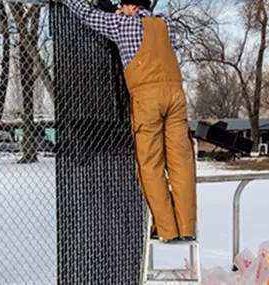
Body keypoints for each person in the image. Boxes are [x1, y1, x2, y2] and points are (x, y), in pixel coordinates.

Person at [57, 0, 197, 243]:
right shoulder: (166, 24)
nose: (119, 9)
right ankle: (186, 227)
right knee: (181, 163)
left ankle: (166, 229)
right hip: (176, 97)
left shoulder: (122, 25)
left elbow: (87, 14)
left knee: (150, 164)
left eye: (122, 5)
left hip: (147, 99)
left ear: (132, 6)